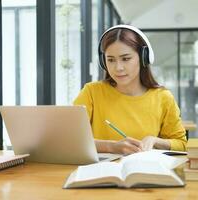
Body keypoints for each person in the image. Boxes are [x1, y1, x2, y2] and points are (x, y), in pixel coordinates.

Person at [74, 25, 187, 155]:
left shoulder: (163, 98)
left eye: (126, 59)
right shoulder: (91, 92)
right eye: (111, 60)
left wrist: (156, 141)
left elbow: (182, 144)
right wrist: (111, 147)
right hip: (100, 172)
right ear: (103, 62)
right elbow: (70, 139)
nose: (118, 68)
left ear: (144, 58)